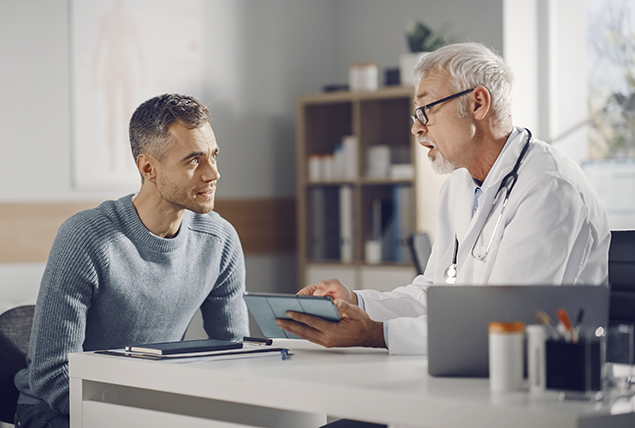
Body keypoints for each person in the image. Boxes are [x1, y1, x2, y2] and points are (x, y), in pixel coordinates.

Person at [277, 42, 610, 356]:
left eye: (427, 109)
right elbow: (432, 295)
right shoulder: (460, 186)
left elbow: (508, 323)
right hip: (471, 371)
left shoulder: (549, 188)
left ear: (478, 103)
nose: (417, 128)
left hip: (545, 384)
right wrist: (356, 304)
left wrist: (375, 333)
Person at [13, 94, 249, 428]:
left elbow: (233, 354)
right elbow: (51, 376)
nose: (214, 174)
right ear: (148, 168)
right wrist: (142, 414)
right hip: (55, 409)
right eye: (194, 160)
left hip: (146, 407)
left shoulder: (220, 240)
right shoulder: (86, 238)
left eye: (214, 156)